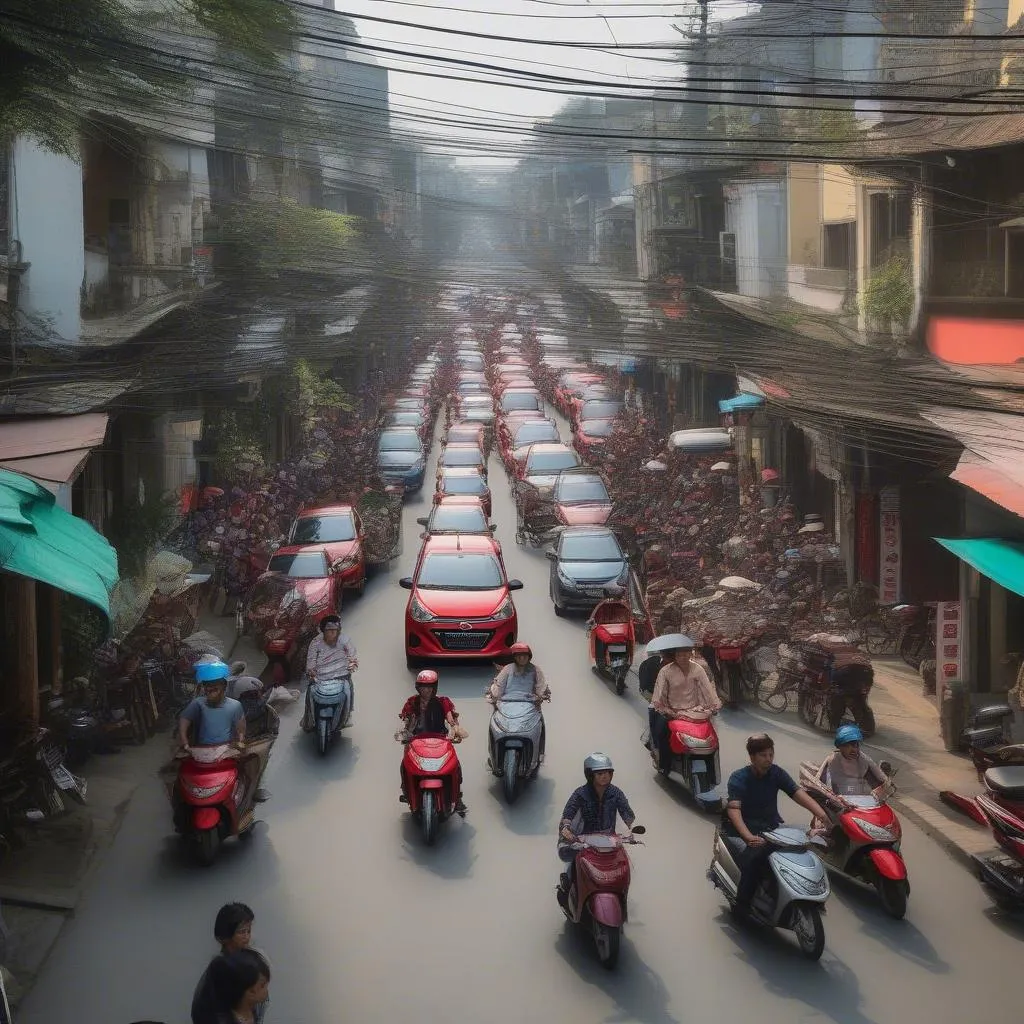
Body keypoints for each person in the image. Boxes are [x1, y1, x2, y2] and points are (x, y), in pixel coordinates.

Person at [724, 734, 829, 920]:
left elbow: (796, 793)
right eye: (763, 755)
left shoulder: (776, 773)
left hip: (772, 829)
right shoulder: (739, 778)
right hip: (745, 831)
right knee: (755, 859)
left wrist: (820, 813)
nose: (768, 759)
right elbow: (734, 810)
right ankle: (742, 905)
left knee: (807, 844)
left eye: (771, 754)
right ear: (752, 757)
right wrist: (748, 836)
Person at [177, 662, 271, 803]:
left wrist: (240, 741)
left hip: (227, 752)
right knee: (176, 777)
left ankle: (251, 794)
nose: (210, 688)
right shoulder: (197, 703)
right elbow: (184, 721)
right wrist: (184, 742)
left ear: (224, 686)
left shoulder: (235, 705)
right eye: (207, 684)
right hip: (201, 753)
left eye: (214, 684)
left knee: (253, 762)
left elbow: (241, 728)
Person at [556, 753, 636, 908]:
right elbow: (568, 813)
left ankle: (621, 897)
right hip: (583, 841)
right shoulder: (580, 793)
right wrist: (566, 828)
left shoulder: (616, 793)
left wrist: (631, 827)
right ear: (590, 775)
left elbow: (627, 812)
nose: (605, 777)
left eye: (608, 773)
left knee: (624, 869)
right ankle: (568, 894)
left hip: (609, 841)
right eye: (600, 774)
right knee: (570, 868)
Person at [399, 670, 467, 815]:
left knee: (456, 766)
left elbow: (450, 718)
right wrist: (405, 733)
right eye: (423, 687)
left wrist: (454, 728)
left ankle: (457, 796)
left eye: (429, 687)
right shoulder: (411, 702)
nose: (426, 690)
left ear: (434, 688)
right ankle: (406, 790)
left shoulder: (443, 702)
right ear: (418, 688)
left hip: (440, 740)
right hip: (417, 741)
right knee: (404, 765)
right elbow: (406, 721)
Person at [649, 641, 721, 773]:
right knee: (661, 733)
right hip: (672, 712)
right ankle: (664, 765)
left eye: (686, 652)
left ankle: (713, 770)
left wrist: (714, 706)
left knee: (712, 738)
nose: (683, 656)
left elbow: (707, 689)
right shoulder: (665, 671)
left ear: (690, 653)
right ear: (674, 655)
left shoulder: (698, 668)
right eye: (679, 654)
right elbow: (660, 695)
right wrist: (666, 710)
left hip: (695, 712)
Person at [191, 904, 264, 1024]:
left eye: (248, 931)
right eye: (241, 932)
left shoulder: (249, 961)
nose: (247, 937)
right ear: (224, 937)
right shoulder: (220, 969)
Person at [303, 614, 358, 732]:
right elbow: (311, 660)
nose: (333, 633)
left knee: (349, 690)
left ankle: (348, 715)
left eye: (335, 630)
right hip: (320, 677)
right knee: (309, 691)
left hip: (341, 675)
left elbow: (352, 656)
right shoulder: (315, 642)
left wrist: (352, 664)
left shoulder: (344, 640)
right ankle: (308, 718)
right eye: (330, 630)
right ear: (324, 630)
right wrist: (311, 671)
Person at [205, 948, 270, 1024]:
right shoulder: (222, 1020)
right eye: (262, 985)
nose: (267, 989)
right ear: (250, 992)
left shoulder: (258, 1007)